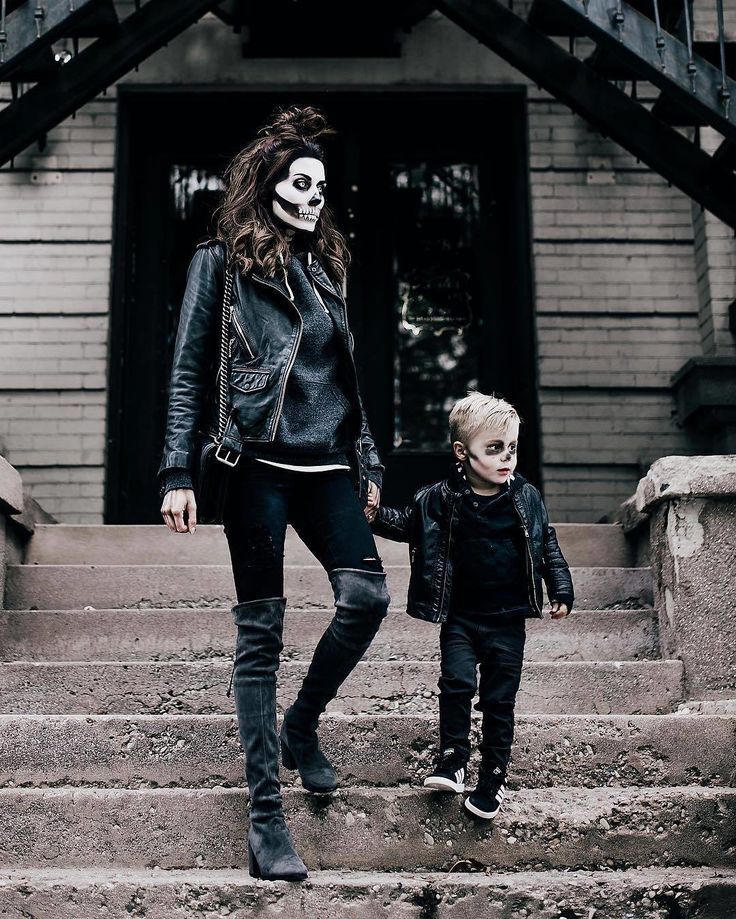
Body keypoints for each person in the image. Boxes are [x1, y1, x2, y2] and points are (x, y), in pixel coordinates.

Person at [158, 105, 390, 881]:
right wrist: (176, 472)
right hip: (253, 461)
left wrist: (369, 460)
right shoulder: (220, 263)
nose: (316, 196)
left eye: (323, 186)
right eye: (302, 183)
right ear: (268, 186)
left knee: (366, 598)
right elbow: (190, 370)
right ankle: (265, 818)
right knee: (260, 636)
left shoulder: (330, 268)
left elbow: (346, 376)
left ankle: (302, 722)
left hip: (326, 463)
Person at [371, 392, 574, 820]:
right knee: (457, 684)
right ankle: (453, 759)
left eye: (512, 448)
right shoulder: (439, 499)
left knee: (499, 701)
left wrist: (560, 587)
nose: (507, 458)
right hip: (461, 617)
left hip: (508, 620)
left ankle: (492, 778)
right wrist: (371, 514)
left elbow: (546, 542)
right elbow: (409, 525)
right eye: (494, 448)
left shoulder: (526, 497)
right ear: (463, 452)